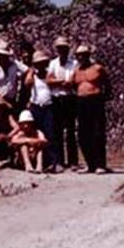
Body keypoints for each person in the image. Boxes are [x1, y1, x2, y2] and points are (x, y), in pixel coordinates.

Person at [72, 44, 110, 174]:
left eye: (83, 55)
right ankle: (90, 164)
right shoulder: (77, 71)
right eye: (78, 55)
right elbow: (73, 86)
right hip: (82, 101)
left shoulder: (98, 68)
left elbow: (107, 83)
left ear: (88, 55)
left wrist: (103, 97)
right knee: (83, 134)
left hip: (96, 100)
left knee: (98, 132)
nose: (81, 57)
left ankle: (100, 164)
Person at [46, 35, 79, 171]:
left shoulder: (74, 63)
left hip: (70, 98)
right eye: (59, 48)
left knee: (71, 130)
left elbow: (74, 80)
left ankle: (73, 162)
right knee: (57, 131)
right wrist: (62, 82)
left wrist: (59, 82)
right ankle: (59, 161)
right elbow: (49, 81)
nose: (62, 50)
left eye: (64, 48)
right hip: (57, 99)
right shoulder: (53, 63)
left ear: (68, 49)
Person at [24, 49, 56, 171]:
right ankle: (40, 161)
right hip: (36, 106)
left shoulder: (50, 74)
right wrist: (31, 72)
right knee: (37, 133)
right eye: (38, 63)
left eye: (42, 63)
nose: (40, 65)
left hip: (48, 106)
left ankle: (53, 161)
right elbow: (27, 84)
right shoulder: (33, 76)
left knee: (50, 133)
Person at [0, 40, 23, 107]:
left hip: (12, 99)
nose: (4, 58)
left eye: (5, 56)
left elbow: (27, 70)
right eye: (1, 56)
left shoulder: (15, 64)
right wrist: (2, 100)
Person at [11, 109, 47, 173]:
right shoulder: (20, 133)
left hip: (34, 155)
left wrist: (34, 141)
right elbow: (13, 141)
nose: (26, 126)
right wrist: (27, 140)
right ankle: (28, 166)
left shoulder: (37, 132)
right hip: (21, 159)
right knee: (23, 146)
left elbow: (44, 141)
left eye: (28, 123)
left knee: (40, 147)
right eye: (24, 124)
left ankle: (39, 166)